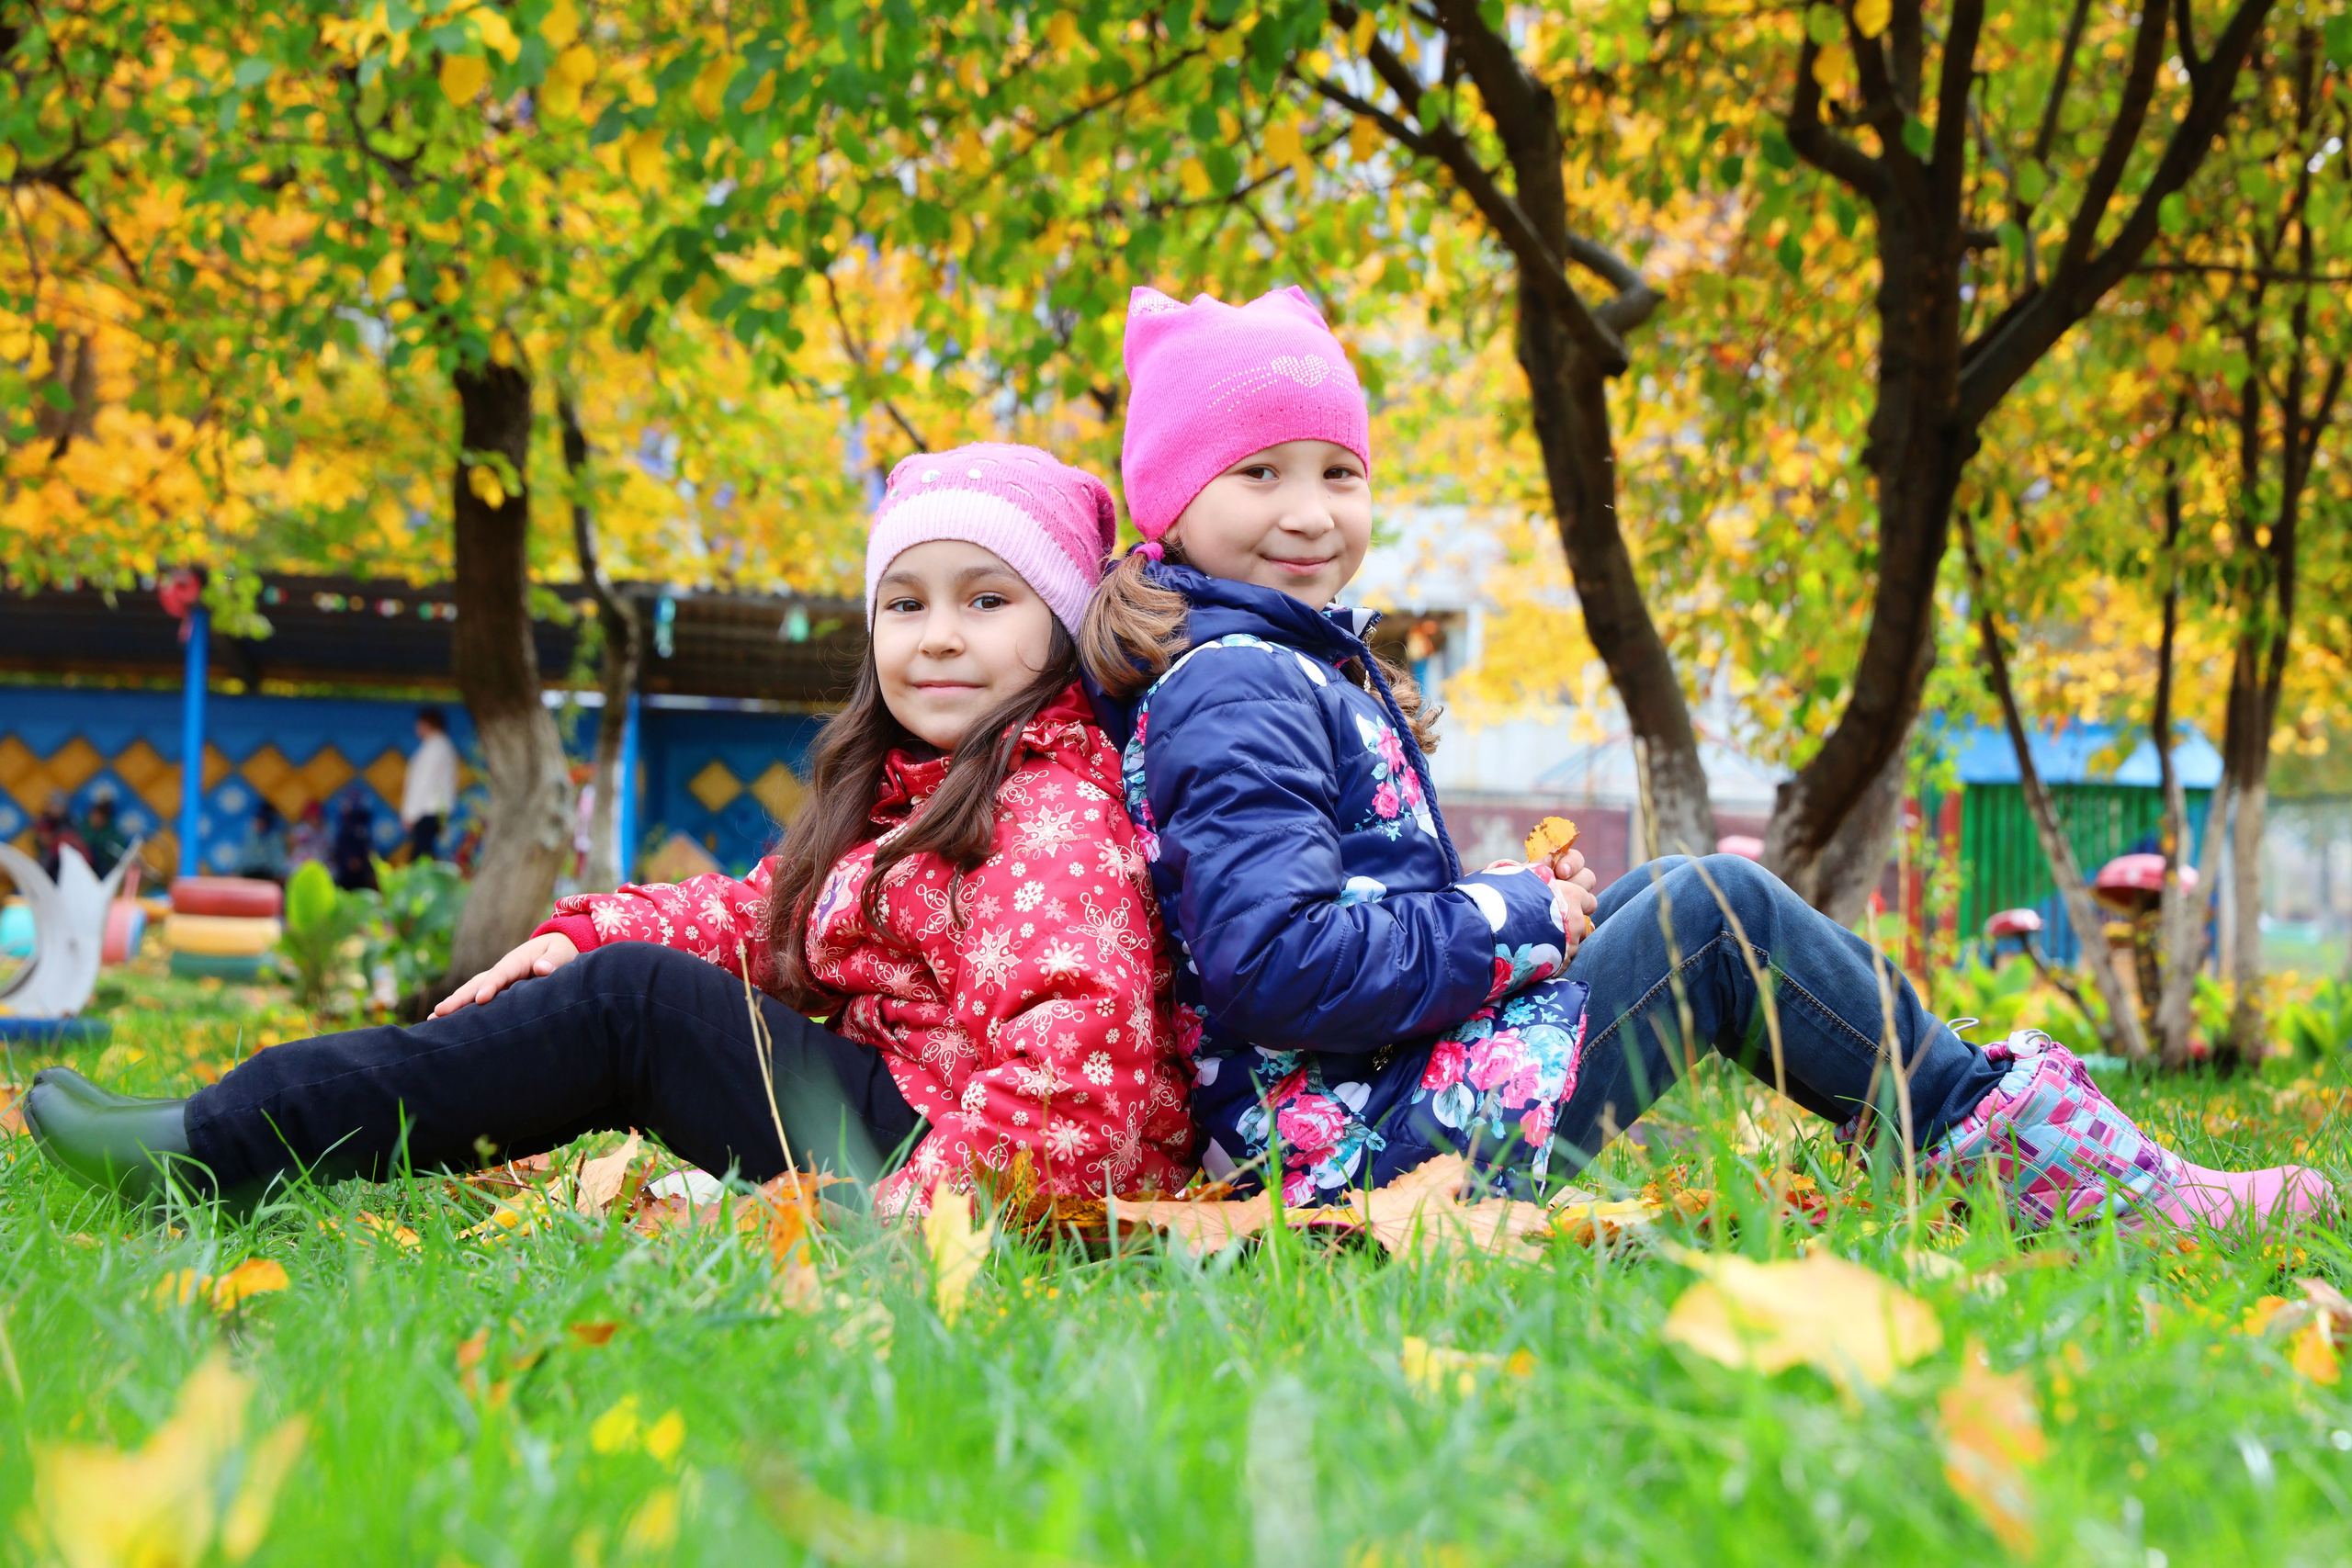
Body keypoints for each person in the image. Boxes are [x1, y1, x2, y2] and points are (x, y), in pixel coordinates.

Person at [1080, 284, 2329, 1235]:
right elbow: (1275, 965)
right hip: (1363, 1154)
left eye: (1339, 473)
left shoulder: (1271, 660)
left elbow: (1331, 915)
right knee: (1710, 910)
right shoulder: (1237, 683)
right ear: (1172, 502)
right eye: (1259, 474)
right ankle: (2048, 1166)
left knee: (1669, 894)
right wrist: (1502, 911)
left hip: (1368, 1104)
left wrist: (1517, 909)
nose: (1310, 511)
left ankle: (1980, 1127)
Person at [25, 444, 1195, 1220]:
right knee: (618, 983)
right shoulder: (915, 794)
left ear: (1061, 630)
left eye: (987, 601)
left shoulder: (1050, 823)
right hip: (905, 1132)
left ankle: (214, 1145)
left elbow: (1072, 1105)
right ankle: (222, 1134)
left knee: (635, 1009)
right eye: (907, 602)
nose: (938, 637)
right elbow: (761, 916)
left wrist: (885, 1227)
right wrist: (589, 932)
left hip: (946, 1176)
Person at [401, 706, 459, 864]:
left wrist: (410, 813)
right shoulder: (445, 746)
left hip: (428, 809)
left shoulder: (434, 749)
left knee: (420, 857)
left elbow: (422, 782)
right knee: (425, 853)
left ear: (427, 724)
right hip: (438, 809)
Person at [328, 791, 379, 892]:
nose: (344, 807)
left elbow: (368, 849)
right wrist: (347, 860)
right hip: (345, 871)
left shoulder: (361, 825)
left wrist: (359, 861)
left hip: (361, 873)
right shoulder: (345, 824)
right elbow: (339, 848)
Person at [31, 792, 88, 881]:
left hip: (66, 867)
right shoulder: (45, 820)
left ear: (63, 808)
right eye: (51, 805)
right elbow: (40, 843)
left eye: (56, 805)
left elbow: (73, 846)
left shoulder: (70, 824)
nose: (53, 808)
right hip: (48, 866)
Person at [238, 801, 291, 883]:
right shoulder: (250, 833)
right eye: (256, 820)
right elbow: (244, 859)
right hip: (249, 873)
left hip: (267, 874)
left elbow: (278, 860)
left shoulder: (274, 836)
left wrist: (278, 873)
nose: (258, 823)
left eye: (261, 820)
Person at [81, 789, 130, 877]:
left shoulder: (112, 833)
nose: (94, 817)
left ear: (104, 818)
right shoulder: (84, 825)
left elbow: (120, 854)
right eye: (93, 814)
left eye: (98, 815)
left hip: (100, 868)